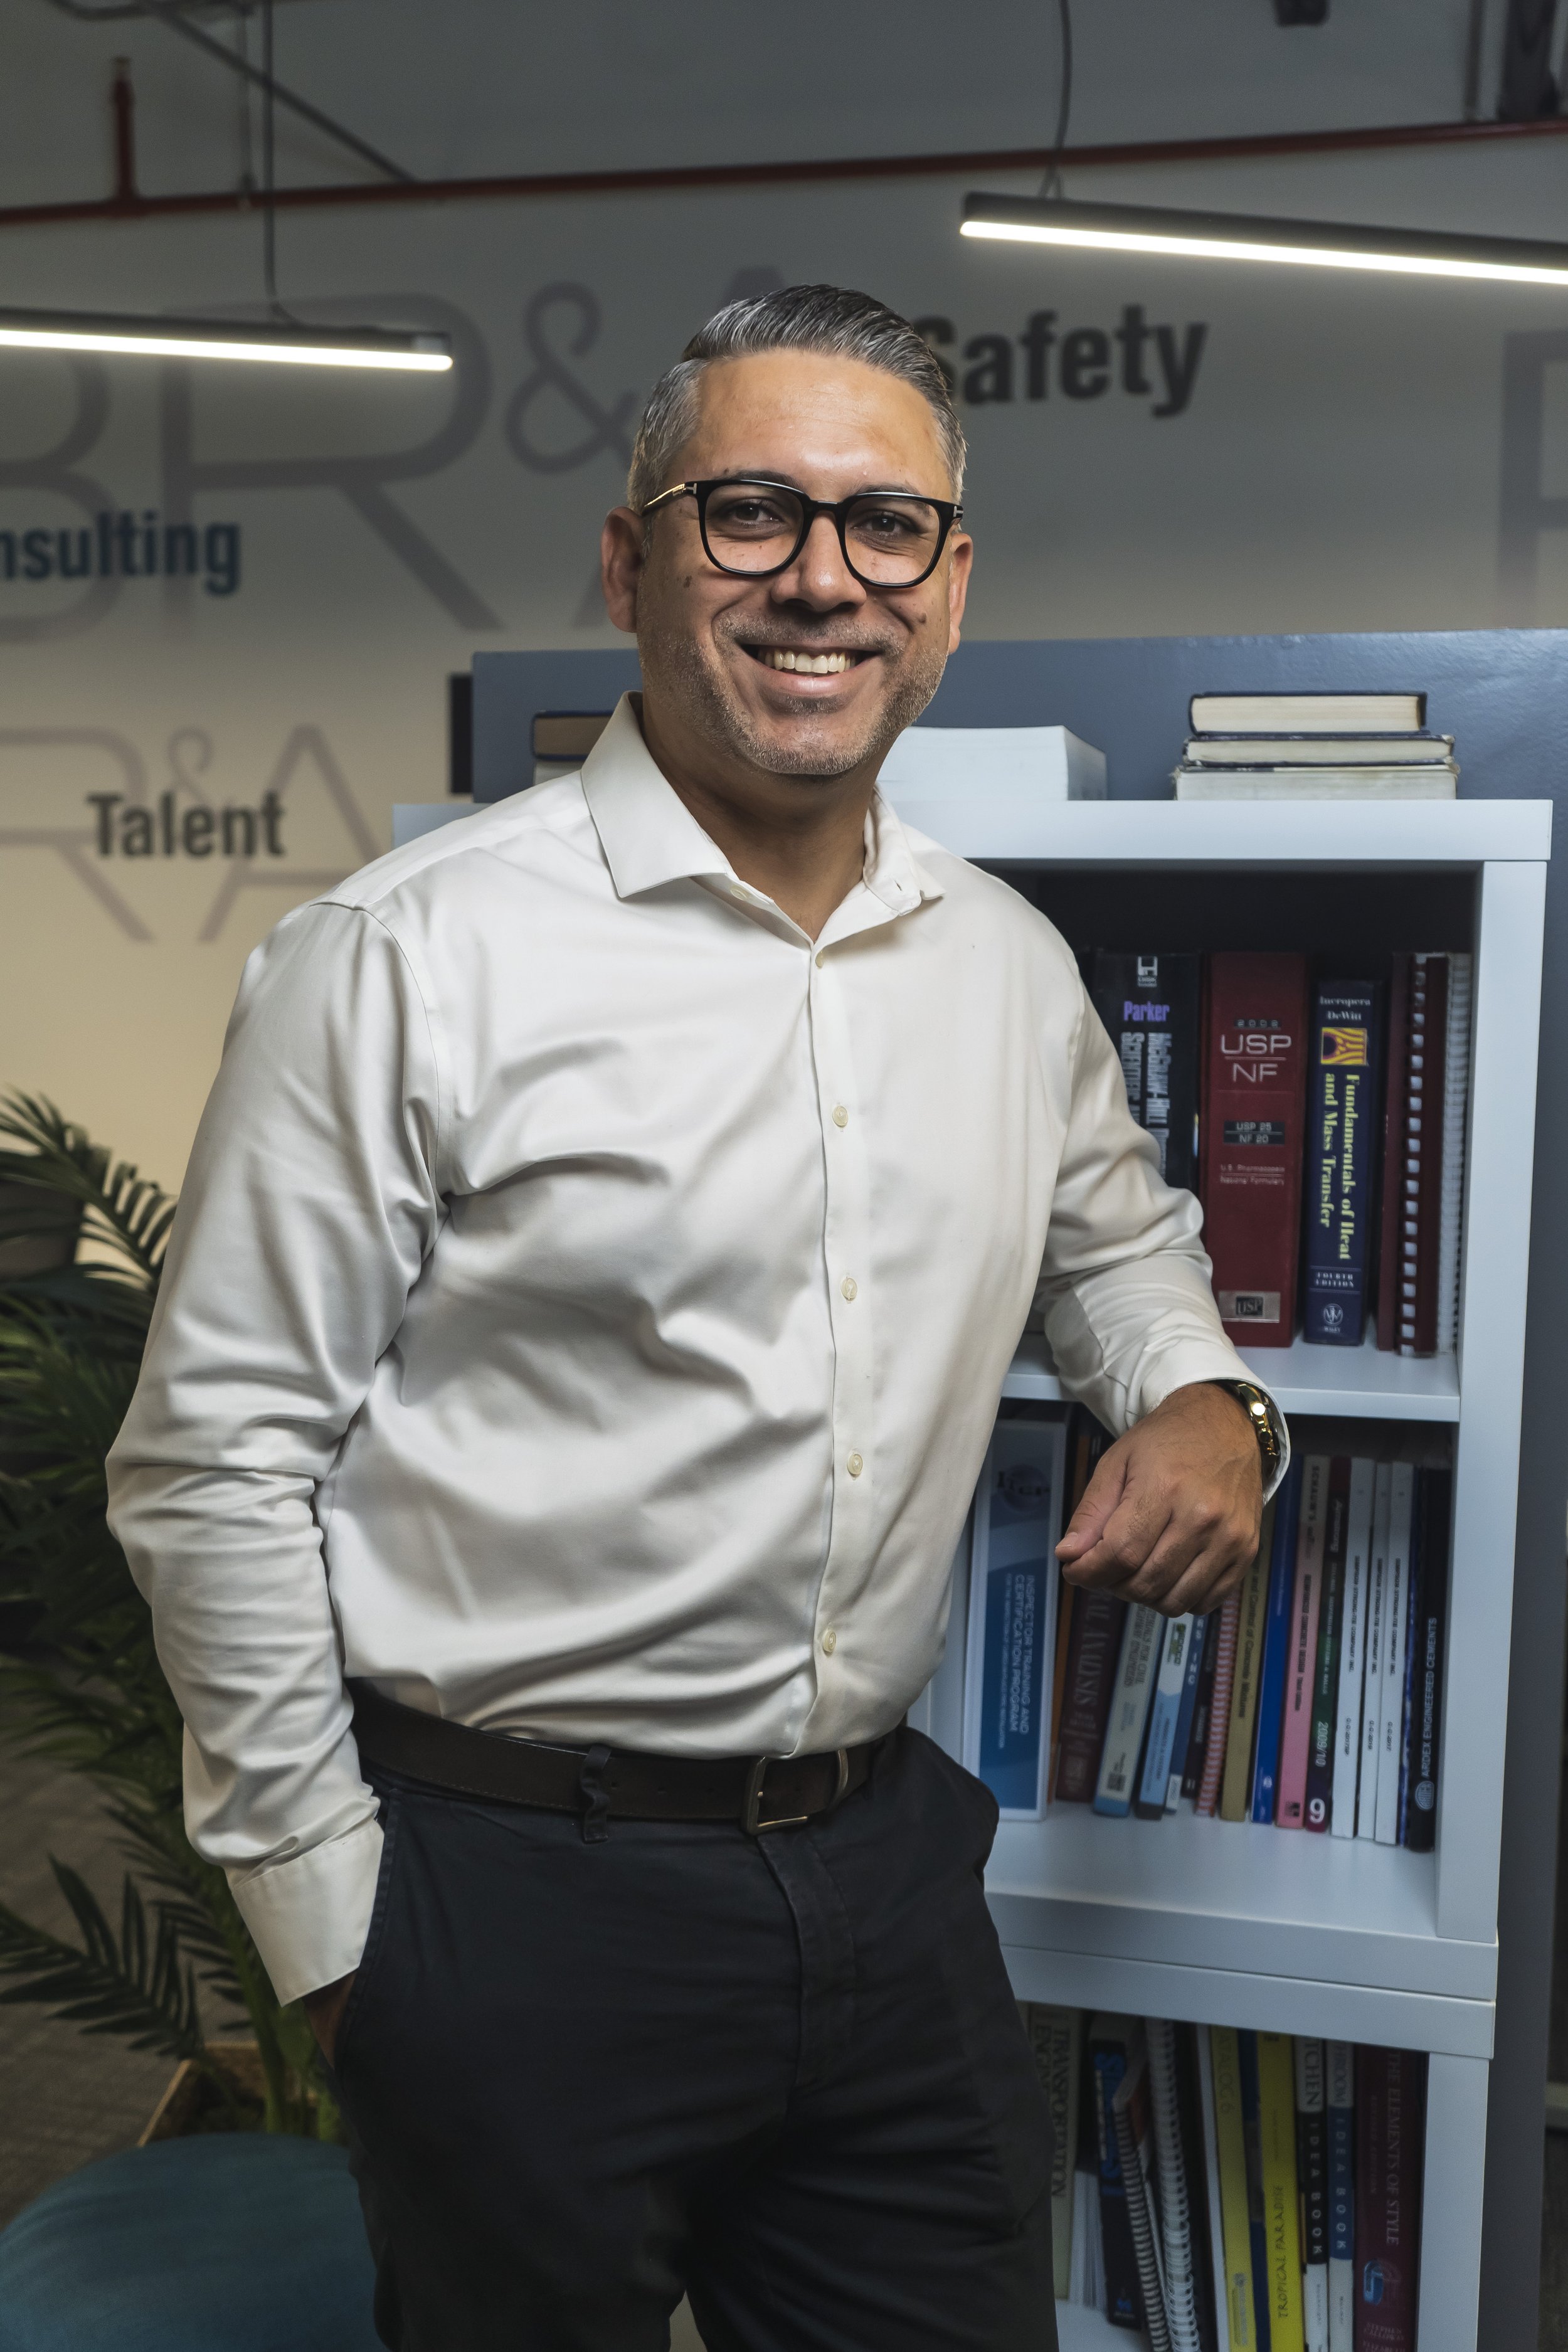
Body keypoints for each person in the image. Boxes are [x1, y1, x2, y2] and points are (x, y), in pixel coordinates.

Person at [107, 284, 1286, 2352]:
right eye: (749, 512)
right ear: (628, 561)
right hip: (510, 1893)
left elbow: (1113, 1248)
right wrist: (342, 1949)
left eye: (883, 525)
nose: (821, 578)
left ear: (949, 588)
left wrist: (1198, 1399)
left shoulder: (1003, 964)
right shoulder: (407, 959)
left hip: (885, 1878)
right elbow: (216, 1466)